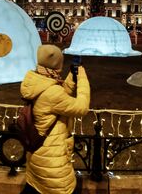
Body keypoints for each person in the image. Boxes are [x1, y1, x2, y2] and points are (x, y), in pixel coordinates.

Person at [20, 45, 90, 194]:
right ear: (57, 64)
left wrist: (72, 75)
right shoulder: (52, 92)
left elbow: (58, 96)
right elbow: (81, 107)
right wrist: (82, 76)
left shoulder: (38, 81)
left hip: (38, 155)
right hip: (52, 162)